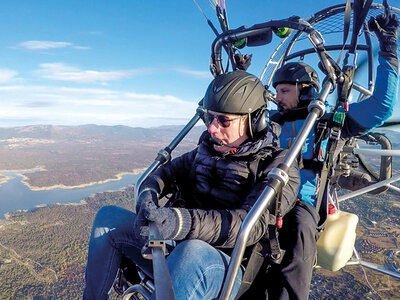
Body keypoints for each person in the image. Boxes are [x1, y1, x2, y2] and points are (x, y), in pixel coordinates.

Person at [83, 70, 300, 299]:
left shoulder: (277, 165)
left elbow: (248, 224)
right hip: (177, 246)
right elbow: (163, 173)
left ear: (255, 121)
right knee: (108, 219)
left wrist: (180, 222)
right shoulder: (205, 150)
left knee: (191, 252)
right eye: (210, 118)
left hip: (227, 265)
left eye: (224, 120)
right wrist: (149, 195)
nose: (212, 128)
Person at [254, 12, 399, 300]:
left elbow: (381, 107)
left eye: (283, 91)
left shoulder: (328, 122)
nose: (277, 97)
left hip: (301, 205)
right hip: (263, 195)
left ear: (303, 89)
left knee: (299, 238)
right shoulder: (270, 121)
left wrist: (388, 52)